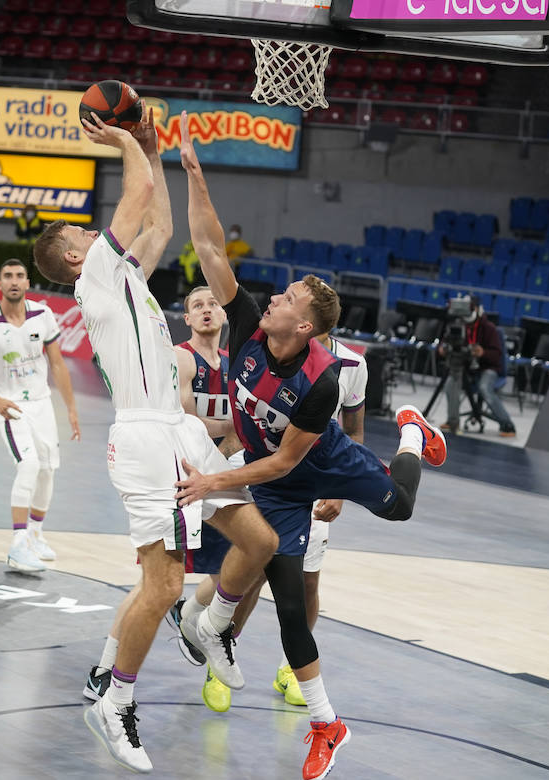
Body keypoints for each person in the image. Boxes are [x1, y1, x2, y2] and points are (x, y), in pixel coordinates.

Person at [173, 112, 445, 780]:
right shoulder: (245, 326)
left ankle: (412, 427)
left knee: (401, 507)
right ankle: (327, 724)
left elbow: (291, 461)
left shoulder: (323, 381)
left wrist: (215, 481)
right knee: (288, 600)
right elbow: (209, 246)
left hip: (314, 466)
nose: (271, 297)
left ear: (305, 324)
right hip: (271, 484)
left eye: (286, 297)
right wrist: (196, 178)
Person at [32, 108, 277, 774]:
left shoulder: (126, 278)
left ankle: (212, 625)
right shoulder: (93, 277)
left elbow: (161, 222)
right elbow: (135, 199)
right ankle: (116, 700)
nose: (100, 232)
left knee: (259, 542)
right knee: (162, 583)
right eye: (89, 232)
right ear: (77, 254)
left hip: (180, 430)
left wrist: (155, 150)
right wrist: (126, 142)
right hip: (148, 436)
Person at [178, 307, 369, 712]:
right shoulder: (267, 349)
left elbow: (354, 430)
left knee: (307, 583)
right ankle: (217, 649)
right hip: (261, 472)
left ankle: (290, 670)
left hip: (310, 483)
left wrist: (338, 490)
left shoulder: (353, 364)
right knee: (251, 570)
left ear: (311, 323)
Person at [82, 283, 237, 709]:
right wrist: (241, 430)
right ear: (185, 319)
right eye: (197, 306)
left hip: (218, 478)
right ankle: (105, 669)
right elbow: (188, 424)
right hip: (179, 480)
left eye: (212, 304)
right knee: (154, 584)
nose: (207, 310)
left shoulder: (234, 364)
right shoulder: (180, 358)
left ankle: (195, 628)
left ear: (224, 314)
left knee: (241, 567)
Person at [0, 258, 80, 573]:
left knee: (48, 470)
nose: (14, 281)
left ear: (28, 283)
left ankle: (35, 534)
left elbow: (57, 364)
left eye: (20, 276)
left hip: (42, 404)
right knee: (28, 465)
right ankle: (17, 545)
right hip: (10, 406)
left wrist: (70, 408)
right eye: (8, 276)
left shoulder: (43, 315)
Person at [441, 297, 515, 437]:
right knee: (451, 383)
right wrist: (442, 349)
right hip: (466, 367)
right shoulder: (457, 325)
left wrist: (483, 352)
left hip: (488, 368)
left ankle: (507, 425)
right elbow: (446, 343)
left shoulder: (489, 328)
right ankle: (452, 421)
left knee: (484, 387)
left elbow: (497, 355)